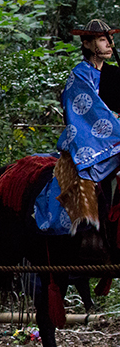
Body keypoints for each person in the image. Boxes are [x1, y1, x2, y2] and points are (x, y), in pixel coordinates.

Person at [35, 19, 120, 235]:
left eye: (110, 39)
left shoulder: (113, 74)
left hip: (115, 137)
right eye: (103, 40)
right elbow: (90, 112)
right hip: (87, 140)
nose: (109, 44)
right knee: (84, 179)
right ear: (88, 44)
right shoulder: (79, 75)